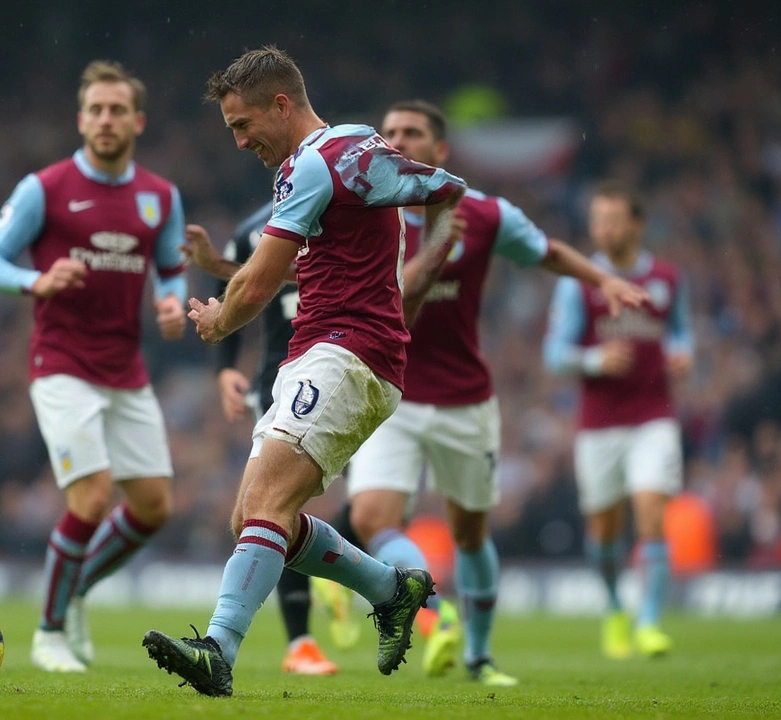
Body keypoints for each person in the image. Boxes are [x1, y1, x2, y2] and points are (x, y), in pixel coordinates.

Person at [141, 46, 467, 697]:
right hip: (329, 350)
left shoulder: (318, 162)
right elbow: (437, 190)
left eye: (243, 124)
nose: (238, 141)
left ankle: (220, 649)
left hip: (347, 353)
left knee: (265, 505)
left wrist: (219, 323)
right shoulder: (336, 156)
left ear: (281, 104)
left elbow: (262, 281)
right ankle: (389, 589)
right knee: (256, 519)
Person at [344, 101, 651, 686]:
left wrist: (603, 278)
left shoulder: (485, 214)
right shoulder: (364, 216)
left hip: (465, 399)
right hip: (392, 394)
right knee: (370, 515)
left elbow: (546, 252)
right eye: (389, 132)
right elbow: (396, 305)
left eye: (412, 133)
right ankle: (434, 612)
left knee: (470, 533)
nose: (397, 140)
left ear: (441, 152)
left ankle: (480, 657)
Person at [0, 60, 188, 673]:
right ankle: (49, 631)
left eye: (117, 109)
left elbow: (170, 267)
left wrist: (171, 300)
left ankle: (77, 588)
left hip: (127, 366)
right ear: (81, 119)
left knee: (153, 508)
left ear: (137, 120)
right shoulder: (46, 187)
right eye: (96, 109)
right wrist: (37, 279)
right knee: (90, 496)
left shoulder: (160, 198)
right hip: (61, 362)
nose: (106, 119)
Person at [542, 180, 694, 659]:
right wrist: (594, 361)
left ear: (637, 224)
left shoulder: (667, 279)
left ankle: (648, 621)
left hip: (654, 416)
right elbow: (553, 354)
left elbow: (682, 331)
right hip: (600, 424)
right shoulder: (578, 282)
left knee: (651, 513)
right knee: (605, 531)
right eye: (597, 220)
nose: (603, 229)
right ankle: (613, 607)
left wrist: (682, 353)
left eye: (612, 220)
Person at [192, 201, 342, 676]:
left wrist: (219, 265)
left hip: (344, 367)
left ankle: (364, 577)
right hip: (280, 380)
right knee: (260, 514)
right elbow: (232, 290)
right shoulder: (253, 229)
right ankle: (301, 641)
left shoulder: (349, 210)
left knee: (362, 508)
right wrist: (225, 370)